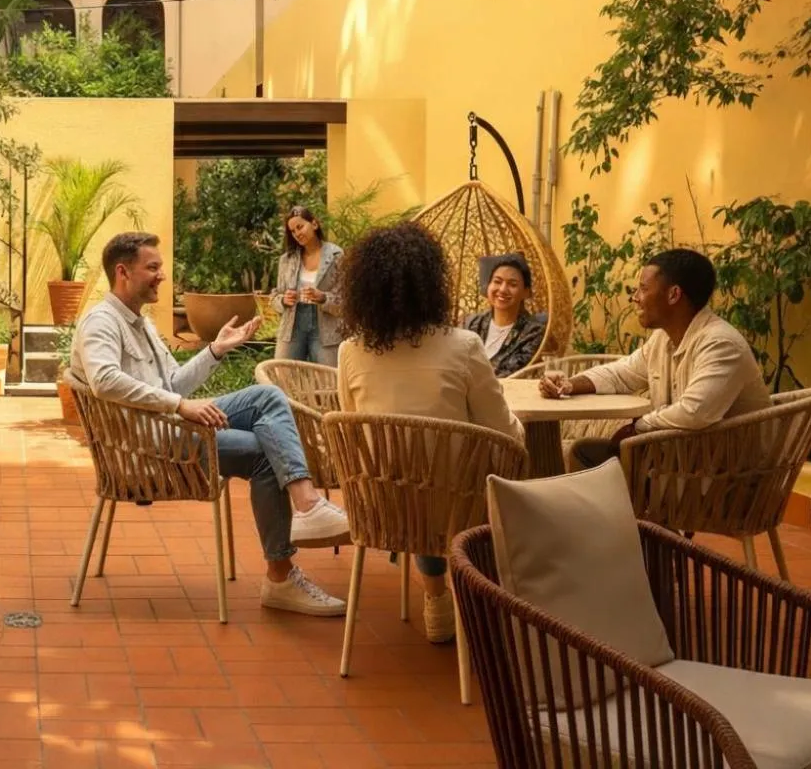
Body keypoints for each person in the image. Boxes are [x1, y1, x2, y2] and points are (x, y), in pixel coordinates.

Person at [71, 231, 351, 616]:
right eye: (152, 268)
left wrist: (216, 350)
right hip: (152, 442)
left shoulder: (142, 324)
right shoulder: (101, 323)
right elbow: (105, 381)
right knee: (264, 455)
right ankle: (281, 576)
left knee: (267, 397)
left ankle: (306, 506)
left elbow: (175, 383)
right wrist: (179, 405)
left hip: (172, 424)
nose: (161, 276)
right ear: (123, 272)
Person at [334, 223, 522, 643]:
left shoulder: (350, 351)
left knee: (416, 471)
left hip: (381, 503)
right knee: (474, 472)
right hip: (454, 506)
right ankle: (493, 597)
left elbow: (353, 426)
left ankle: (436, 596)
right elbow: (502, 432)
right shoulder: (464, 345)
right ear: (431, 285)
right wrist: (524, 433)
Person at [541, 248, 771, 469]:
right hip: (681, 458)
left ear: (673, 294)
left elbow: (694, 412)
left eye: (642, 289)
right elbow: (620, 374)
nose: (635, 298)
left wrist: (638, 428)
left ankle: (624, 509)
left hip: (725, 476)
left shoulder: (720, 343)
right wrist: (570, 384)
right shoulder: (664, 338)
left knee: (598, 459)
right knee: (584, 452)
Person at [270, 205, 345, 367]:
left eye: (300, 227)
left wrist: (323, 297)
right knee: (283, 377)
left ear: (314, 224)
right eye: (292, 231)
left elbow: (345, 300)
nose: (297, 233)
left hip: (325, 327)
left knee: (329, 382)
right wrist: (284, 300)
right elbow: (274, 297)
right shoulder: (287, 260)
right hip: (292, 326)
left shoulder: (336, 255)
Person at [462, 253, 548, 377]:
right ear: (488, 286)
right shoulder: (471, 323)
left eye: (512, 284)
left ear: (526, 292)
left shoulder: (533, 333)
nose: (502, 289)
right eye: (497, 281)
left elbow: (512, 373)